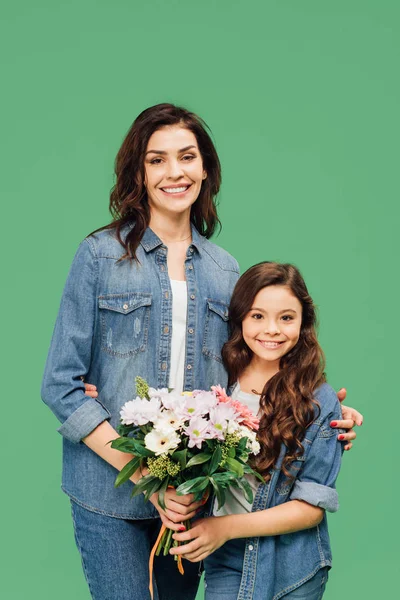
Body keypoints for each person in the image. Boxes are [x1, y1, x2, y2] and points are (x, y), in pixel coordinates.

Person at [41, 104, 361, 600]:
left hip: (194, 502)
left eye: (187, 157)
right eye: (157, 160)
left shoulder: (224, 270)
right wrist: (150, 477)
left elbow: (250, 370)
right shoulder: (99, 257)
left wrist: (323, 413)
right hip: (110, 495)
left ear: (205, 168)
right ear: (138, 172)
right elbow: (61, 386)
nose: (175, 172)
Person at [170, 262, 355, 599]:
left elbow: (311, 508)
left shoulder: (318, 400)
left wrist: (223, 528)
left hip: (293, 567)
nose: (272, 329)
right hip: (226, 560)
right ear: (240, 318)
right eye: (257, 316)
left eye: (286, 317)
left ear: (304, 322)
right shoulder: (214, 383)